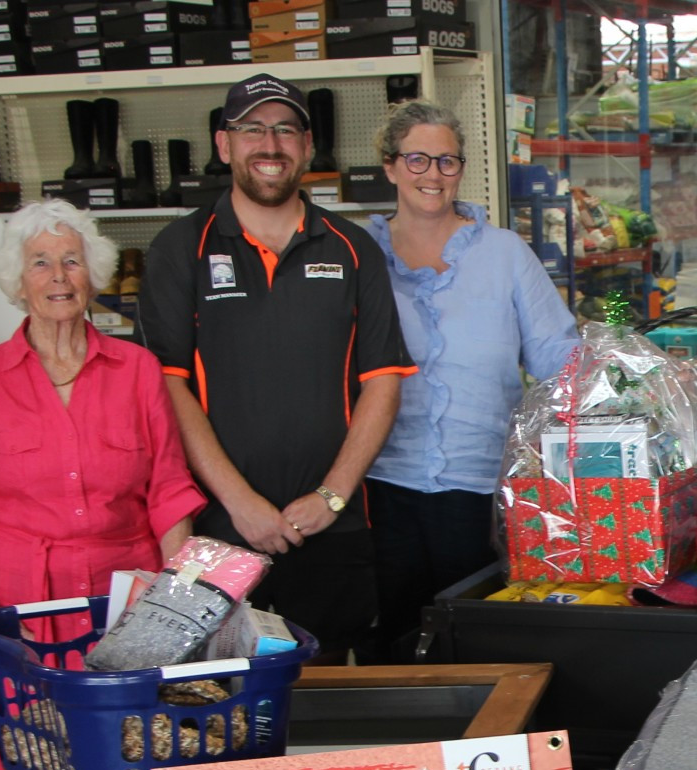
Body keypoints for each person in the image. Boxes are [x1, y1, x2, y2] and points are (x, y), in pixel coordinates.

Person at [0, 199, 206, 770]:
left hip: (123, 597)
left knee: (135, 753)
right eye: (40, 263)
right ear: (17, 282)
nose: (58, 277)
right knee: (36, 751)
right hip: (21, 600)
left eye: (72, 261)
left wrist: (175, 596)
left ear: (93, 275)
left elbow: (168, 489)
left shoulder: (137, 370)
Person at [139, 72, 415, 665]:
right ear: (224, 144)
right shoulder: (179, 248)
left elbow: (383, 381)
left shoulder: (351, 247)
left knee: (326, 703)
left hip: (332, 530)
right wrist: (240, 503)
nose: (271, 144)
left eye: (286, 129)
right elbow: (168, 387)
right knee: (221, 699)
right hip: (218, 528)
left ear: (307, 145)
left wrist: (332, 496)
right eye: (252, 129)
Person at [363, 101, 581, 659]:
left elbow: (560, 356)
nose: (432, 175)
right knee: (391, 647)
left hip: (481, 490)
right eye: (416, 160)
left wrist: (631, 393)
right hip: (378, 489)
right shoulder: (358, 256)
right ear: (389, 166)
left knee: (478, 647)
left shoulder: (504, 254)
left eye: (447, 161)